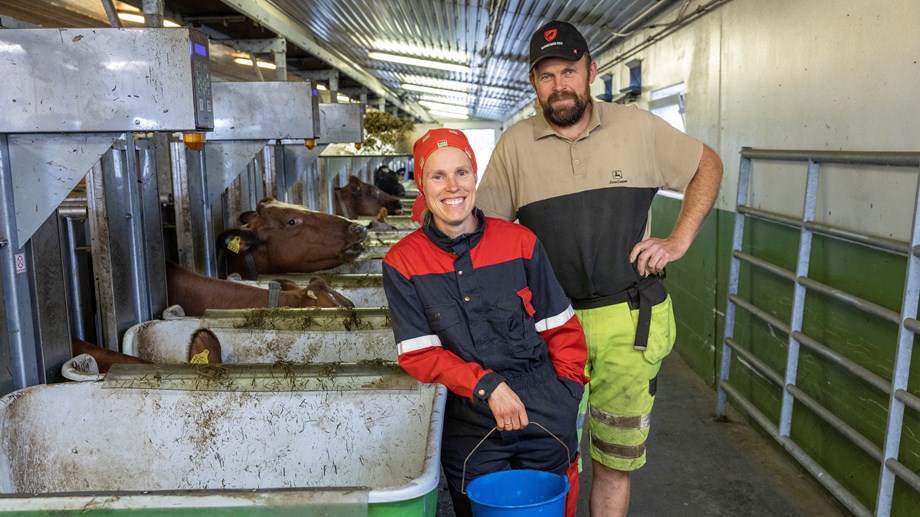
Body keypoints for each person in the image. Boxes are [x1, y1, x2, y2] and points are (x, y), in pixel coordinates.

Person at [476, 20, 724, 517]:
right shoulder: (514, 146)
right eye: (546, 76)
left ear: (591, 71)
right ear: (533, 83)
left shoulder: (637, 128)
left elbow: (707, 164)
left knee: (614, 460)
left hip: (627, 322)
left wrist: (678, 240)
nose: (559, 85)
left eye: (569, 71)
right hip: (547, 328)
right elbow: (487, 232)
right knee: (546, 453)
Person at [382, 128, 589, 517]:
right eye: (437, 176)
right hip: (470, 417)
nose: (452, 186)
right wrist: (485, 386)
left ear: (475, 176)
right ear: (421, 185)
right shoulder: (402, 261)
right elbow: (419, 354)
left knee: (551, 509)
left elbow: (559, 324)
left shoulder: (520, 241)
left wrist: (567, 391)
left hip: (544, 405)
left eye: (461, 172)